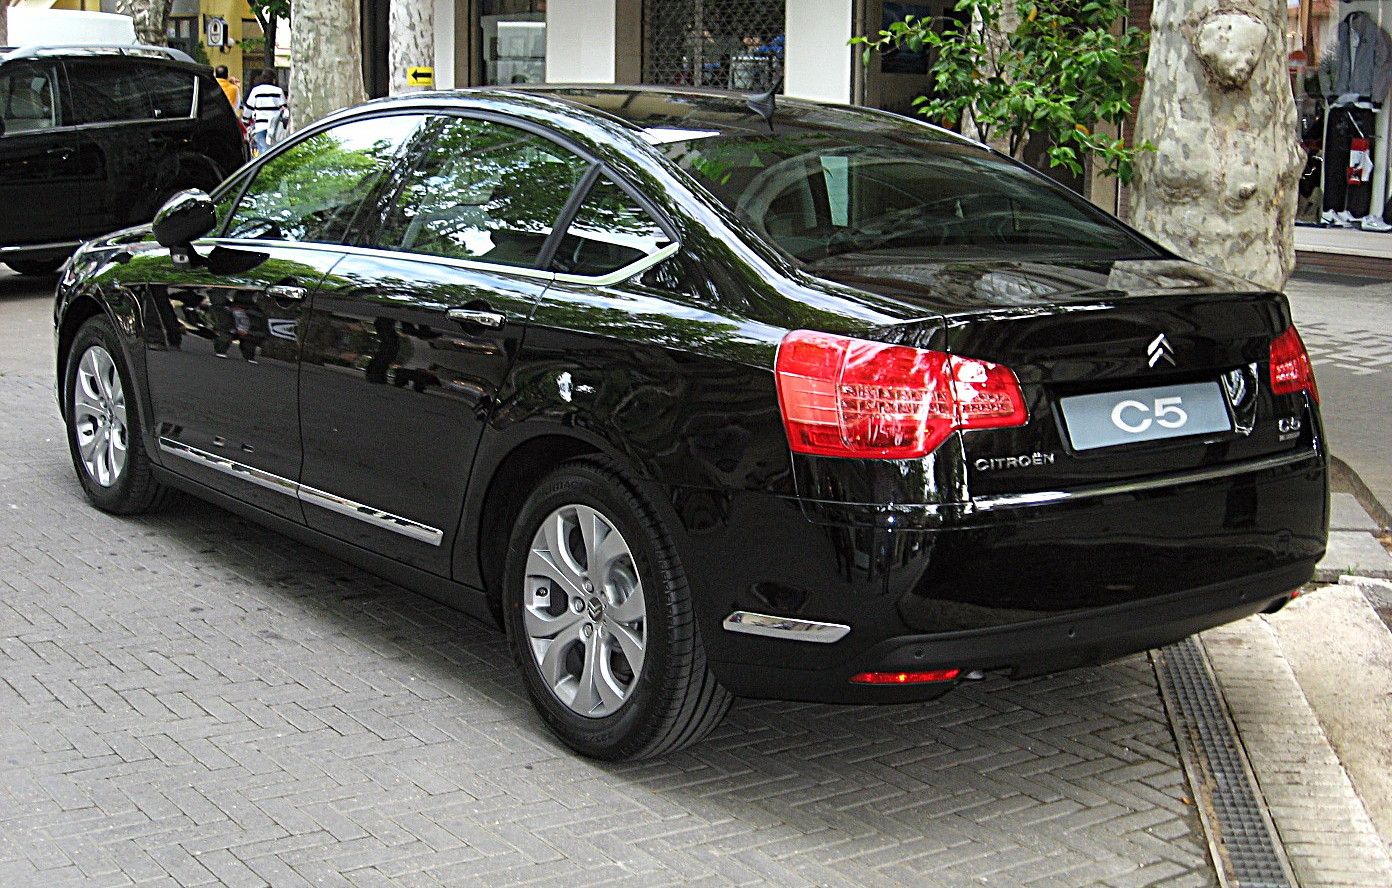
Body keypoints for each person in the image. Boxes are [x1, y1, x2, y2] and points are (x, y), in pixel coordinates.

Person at [242, 70, 287, 156]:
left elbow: (249, 108)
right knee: (275, 150)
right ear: (273, 79)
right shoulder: (278, 91)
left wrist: (245, 120)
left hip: (260, 126)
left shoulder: (256, 90)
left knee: (263, 151)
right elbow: (284, 108)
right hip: (275, 126)